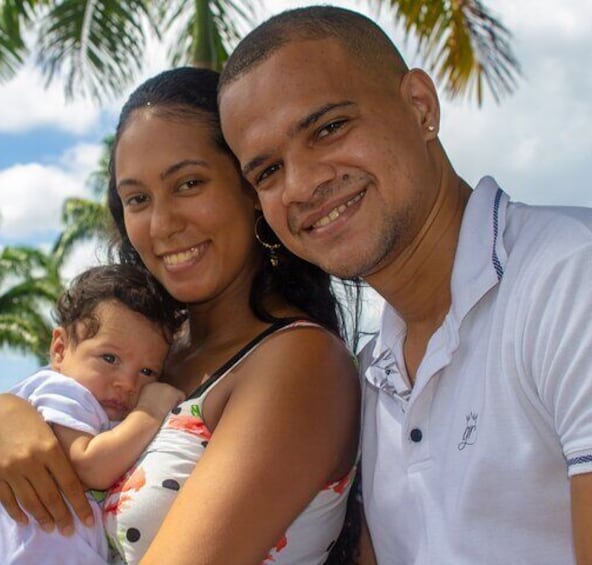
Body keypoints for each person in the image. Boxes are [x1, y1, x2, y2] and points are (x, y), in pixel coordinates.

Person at [217, 6, 592, 564]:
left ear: (420, 106)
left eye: (328, 128)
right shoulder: (374, 372)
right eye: (267, 171)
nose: (301, 185)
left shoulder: (568, 278)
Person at [0, 67, 361, 564]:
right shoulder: (144, 362)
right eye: (137, 199)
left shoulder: (300, 363)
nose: (162, 223)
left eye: (189, 183)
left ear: (252, 186)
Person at [0, 265, 185, 564]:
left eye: (147, 371)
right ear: (60, 349)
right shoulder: (62, 391)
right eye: (109, 358)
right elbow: (90, 466)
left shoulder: (107, 416)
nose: (127, 383)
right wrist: (150, 411)